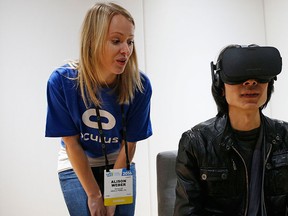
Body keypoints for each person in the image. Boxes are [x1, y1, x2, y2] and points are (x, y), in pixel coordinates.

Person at [45, 2, 152, 216]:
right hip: (77, 160)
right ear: (93, 40)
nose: (126, 50)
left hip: (119, 158)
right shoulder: (62, 81)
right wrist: (95, 195)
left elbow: (129, 144)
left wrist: (112, 197)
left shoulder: (139, 85)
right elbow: (71, 143)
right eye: (116, 41)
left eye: (130, 41)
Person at [174, 44, 288, 215]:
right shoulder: (196, 143)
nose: (251, 82)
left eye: (259, 76)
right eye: (238, 75)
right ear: (220, 85)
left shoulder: (285, 138)